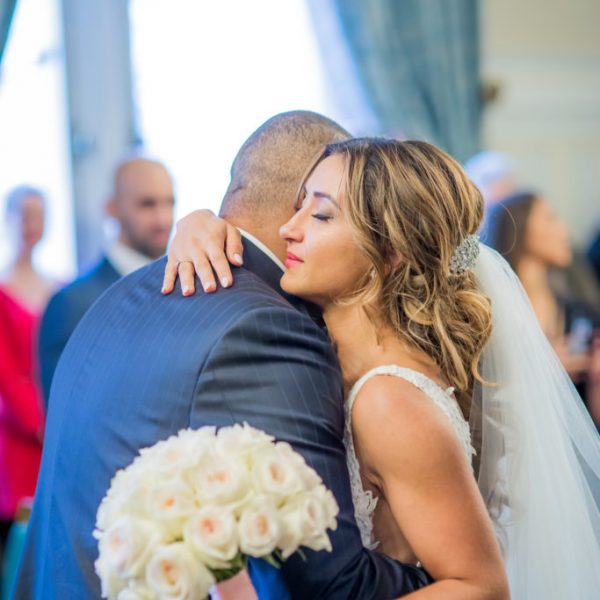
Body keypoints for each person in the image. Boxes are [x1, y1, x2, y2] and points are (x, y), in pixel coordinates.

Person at [12, 112, 432, 600]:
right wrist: (449, 580)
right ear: (304, 203)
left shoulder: (121, 295)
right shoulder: (268, 327)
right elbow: (326, 582)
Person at [165, 138, 600, 598]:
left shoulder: (388, 401)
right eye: (299, 205)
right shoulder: (324, 357)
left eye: (321, 215)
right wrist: (193, 225)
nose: (288, 229)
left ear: (389, 253)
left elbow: (481, 587)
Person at [37, 155, 175, 404]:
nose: (163, 219)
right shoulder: (72, 303)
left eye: (169, 203)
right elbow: (65, 412)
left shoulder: (185, 286)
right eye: (147, 204)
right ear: (112, 208)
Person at [483, 191, 600, 422]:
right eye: (551, 218)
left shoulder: (581, 315)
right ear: (520, 228)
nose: (564, 229)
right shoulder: (489, 318)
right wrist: (543, 370)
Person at [0, 186, 50, 574]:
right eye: (25, 214)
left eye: (39, 215)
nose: (32, 224)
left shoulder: (58, 287)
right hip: (19, 434)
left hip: (52, 425)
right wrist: (40, 424)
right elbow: (5, 373)